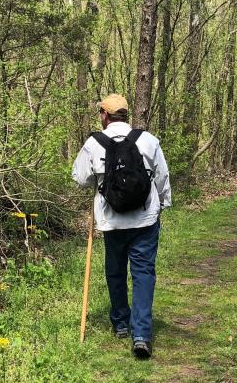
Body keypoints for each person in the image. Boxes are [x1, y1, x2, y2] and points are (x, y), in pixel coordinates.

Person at [71, 93, 172, 359]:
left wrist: (100, 176)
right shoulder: (148, 140)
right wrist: (164, 203)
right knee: (143, 274)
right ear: (126, 115)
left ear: (104, 115)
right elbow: (161, 176)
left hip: (111, 220)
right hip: (145, 220)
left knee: (115, 271)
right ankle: (141, 334)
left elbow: (80, 178)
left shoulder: (94, 143)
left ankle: (120, 324)